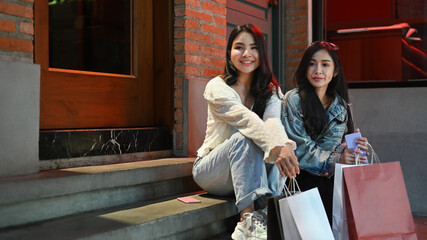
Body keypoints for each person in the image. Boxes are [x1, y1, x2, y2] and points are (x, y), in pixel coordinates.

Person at [192, 24, 300, 240]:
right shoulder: (218, 86)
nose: (246, 54)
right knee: (246, 137)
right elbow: (245, 119)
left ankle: (265, 213)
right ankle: (247, 221)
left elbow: (272, 123)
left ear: (262, 53)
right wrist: (276, 148)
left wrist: (284, 148)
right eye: (239, 47)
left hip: (246, 174)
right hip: (212, 171)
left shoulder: (271, 90)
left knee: (276, 142)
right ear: (229, 52)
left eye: (253, 48)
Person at [281, 41, 370, 225]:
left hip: (330, 182)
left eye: (325, 64)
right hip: (299, 180)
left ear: (335, 71)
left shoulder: (341, 106)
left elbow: (334, 147)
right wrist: (337, 157)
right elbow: (300, 150)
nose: (318, 70)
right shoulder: (294, 99)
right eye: (312, 64)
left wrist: (355, 150)